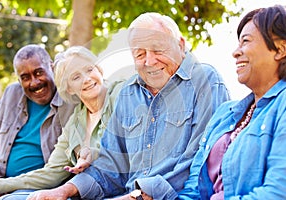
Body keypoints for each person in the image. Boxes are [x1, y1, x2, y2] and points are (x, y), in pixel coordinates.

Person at [27, 12, 230, 200]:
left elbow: (201, 163)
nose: (149, 61)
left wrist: (142, 194)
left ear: (180, 44)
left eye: (158, 49)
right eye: (140, 54)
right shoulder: (129, 92)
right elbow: (109, 166)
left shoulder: (205, 81)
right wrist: (63, 191)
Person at [0, 46, 124, 199]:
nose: (86, 79)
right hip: (60, 187)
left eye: (90, 69)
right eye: (76, 77)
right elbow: (52, 171)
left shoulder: (120, 95)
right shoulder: (75, 123)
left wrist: (92, 154)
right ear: (69, 88)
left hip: (101, 189)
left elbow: (118, 153)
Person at [178, 5, 286, 200]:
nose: (235, 52)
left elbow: (278, 193)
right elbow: (193, 189)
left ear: (280, 49)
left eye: (246, 41)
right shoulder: (224, 114)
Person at [0, 44, 75, 199]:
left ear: (52, 68)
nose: (34, 83)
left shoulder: (70, 100)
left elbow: (60, 170)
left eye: (39, 72)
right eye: (25, 77)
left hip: (40, 190)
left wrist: (3, 186)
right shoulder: (11, 94)